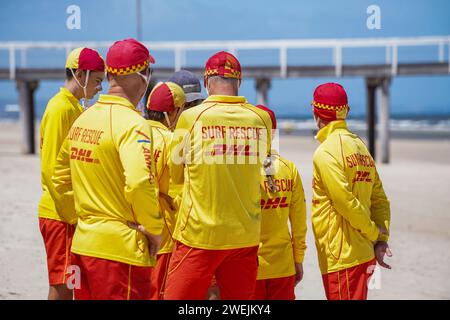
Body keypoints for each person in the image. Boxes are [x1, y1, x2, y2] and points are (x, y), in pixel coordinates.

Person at [51, 38, 163, 300]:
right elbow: (138, 182)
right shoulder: (133, 124)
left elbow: (59, 179)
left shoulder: (83, 119)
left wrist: (82, 220)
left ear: (110, 74)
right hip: (121, 251)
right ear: (140, 76)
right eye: (148, 72)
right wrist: (155, 230)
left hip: (84, 243)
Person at [164, 51, 273, 300]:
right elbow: (269, 170)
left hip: (199, 234)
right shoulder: (263, 119)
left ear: (206, 81)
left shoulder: (190, 118)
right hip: (245, 235)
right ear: (239, 82)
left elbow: (176, 173)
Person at [310, 82, 392, 300]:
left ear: (316, 114)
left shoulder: (325, 151)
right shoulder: (360, 146)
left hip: (342, 256)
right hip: (363, 252)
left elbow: (346, 203)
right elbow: (380, 200)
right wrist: (381, 239)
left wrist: (376, 235)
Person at [38, 47, 104, 300]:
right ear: (80, 74)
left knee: (73, 283)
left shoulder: (74, 107)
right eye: (97, 80)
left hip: (70, 210)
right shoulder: (60, 109)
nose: (100, 87)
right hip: (60, 212)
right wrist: (73, 215)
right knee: (62, 286)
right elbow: (51, 168)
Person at [252, 104, 307, 300]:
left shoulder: (242, 170)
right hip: (283, 266)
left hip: (251, 267)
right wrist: (298, 259)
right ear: (273, 133)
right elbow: (299, 223)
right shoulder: (289, 168)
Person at [144, 81, 186, 299]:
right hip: (164, 234)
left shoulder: (134, 131)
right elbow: (178, 192)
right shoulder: (173, 141)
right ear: (173, 111)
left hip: (131, 227)